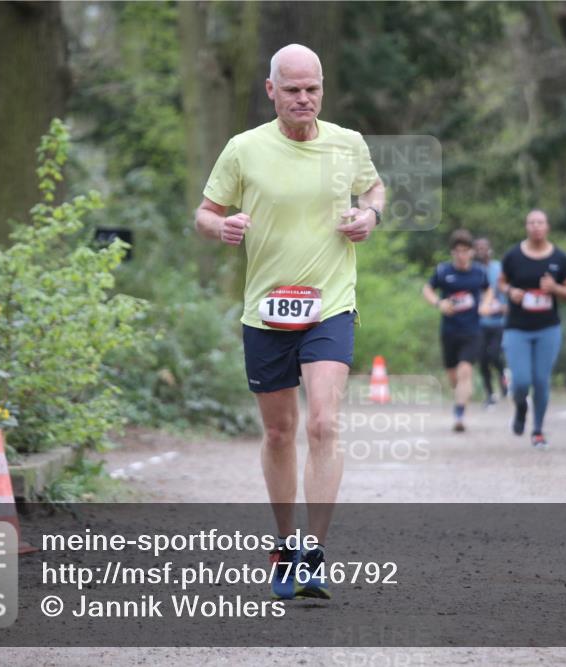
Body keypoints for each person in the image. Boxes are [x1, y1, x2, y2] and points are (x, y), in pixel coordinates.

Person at [194, 44, 384, 600]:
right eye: (293, 89)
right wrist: (220, 227)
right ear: (271, 89)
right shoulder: (243, 149)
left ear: (322, 89)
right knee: (280, 432)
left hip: (331, 302)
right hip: (267, 309)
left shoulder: (348, 143)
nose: (304, 98)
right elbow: (204, 212)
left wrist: (369, 214)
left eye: (313, 88)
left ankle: (315, 554)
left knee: (323, 423)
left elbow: (375, 188)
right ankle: (283, 545)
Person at [498, 209, 566, 448]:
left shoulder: (559, 258)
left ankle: (538, 430)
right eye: (531, 222)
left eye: (540, 222)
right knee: (520, 381)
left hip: (547, 329)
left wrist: (555, 288)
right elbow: (501, 282)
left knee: (541, 380)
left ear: (547, 227)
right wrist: (511, 292)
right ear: (526, 227)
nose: (536, 226)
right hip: (517, 328)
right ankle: (521, 406)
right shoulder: (513, 255)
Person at [423, 229, 495, 433]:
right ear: (452, 252)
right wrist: (439, 303)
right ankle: (461, 396)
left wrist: (486, 305)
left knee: (465, 371)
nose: (461, 255)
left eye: (465, 250)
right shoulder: (443, 271)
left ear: (471, 252)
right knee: (454, 377)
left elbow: (488, 290)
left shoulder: (479, 272)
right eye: (458, 251)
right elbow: (427, 289)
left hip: (472, 331)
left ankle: (459, 414)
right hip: (449, 331)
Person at [473, 237, 508, 407]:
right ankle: (489, 393)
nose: (481, 251)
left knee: (494, 355)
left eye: (483, 247)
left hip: (498, 321)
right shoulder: (472, 270)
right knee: (482, 359)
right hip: (478, 323)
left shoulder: (499, 268)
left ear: (489, 250)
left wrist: (505, 307)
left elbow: (506, 288)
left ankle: (503, 380)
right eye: (477, 248)